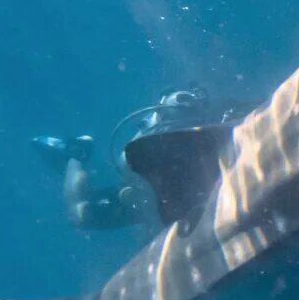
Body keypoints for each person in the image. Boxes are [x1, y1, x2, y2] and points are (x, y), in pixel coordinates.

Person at [31, 86, 229, 231]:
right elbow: (129, 167)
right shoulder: (152, 146)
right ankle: (73, 156)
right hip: (146, 196)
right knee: (82, 214)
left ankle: (74, 156)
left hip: (172, 193)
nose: (190, 104)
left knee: (85, 215)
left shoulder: (217, 123)